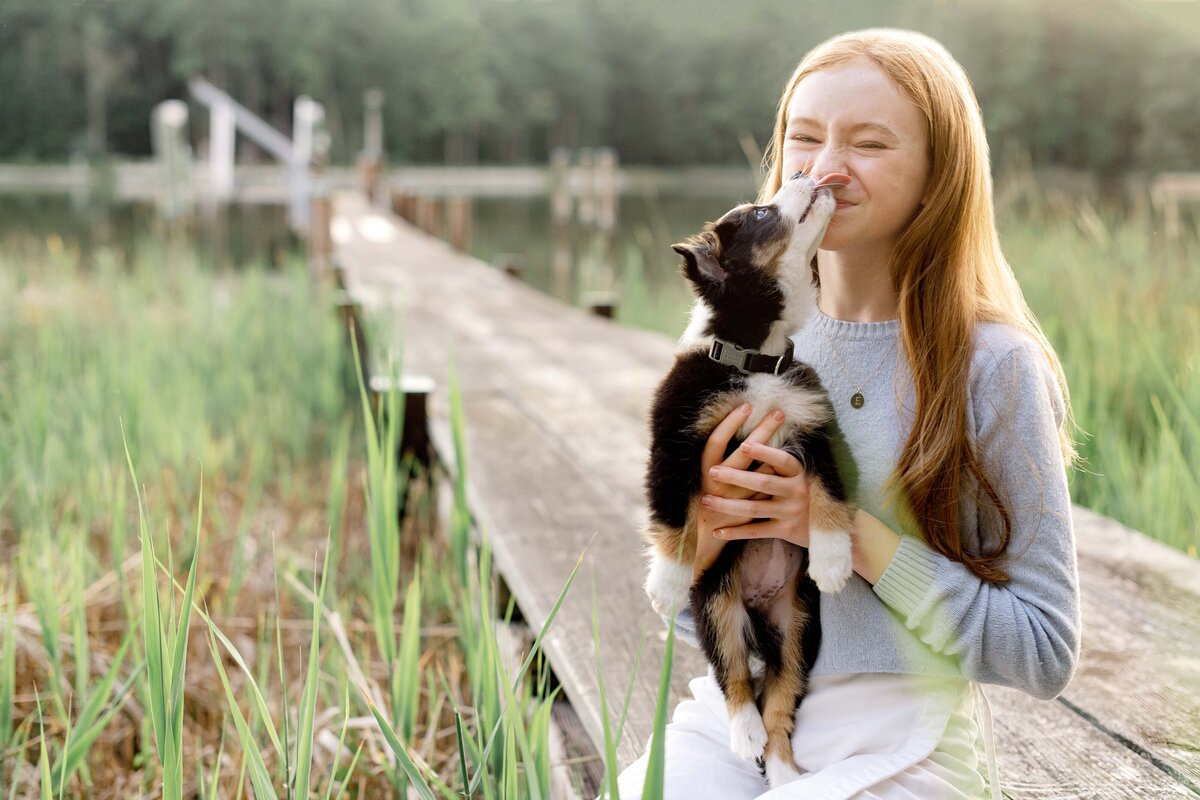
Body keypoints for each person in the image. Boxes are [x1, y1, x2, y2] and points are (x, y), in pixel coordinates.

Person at [616, 28, 1081, 800]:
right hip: (738, 720)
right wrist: (710, 545)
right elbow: (687, 613)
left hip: (906, 743)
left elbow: (1043, 651)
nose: (825, 168)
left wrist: (847, 533)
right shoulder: (725, 342)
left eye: (868, 143)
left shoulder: (995, 366)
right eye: (804, 136)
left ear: (939, 177)